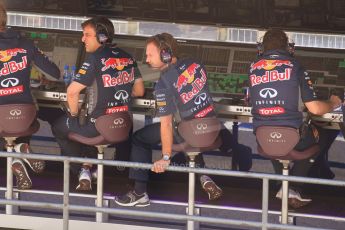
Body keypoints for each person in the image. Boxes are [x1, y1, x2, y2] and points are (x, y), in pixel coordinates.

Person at [114, 33, 247, 207]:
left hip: (189, 131)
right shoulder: (196, 63)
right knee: (187, 128)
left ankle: (139, 192)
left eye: (150, 55)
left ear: (165, 54)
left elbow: (166, 124)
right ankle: (204, 176)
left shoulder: (163, 85)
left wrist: (166, 157)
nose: (146, 60)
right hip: (211, 128)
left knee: (140, 139)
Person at [248, 29, 342, 208]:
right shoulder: (296, 66)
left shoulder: (252, 67)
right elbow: (314, 108)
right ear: (288, 48)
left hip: (263, 137)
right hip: (293, 136)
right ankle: (295, 187)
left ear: (261, 48)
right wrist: (332, 102)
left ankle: (282, 185)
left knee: (277, 142)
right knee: (321, 135)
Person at [52, 16, 144, 191]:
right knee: (85, 123)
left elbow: (72, 92)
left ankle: (82, 171)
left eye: (87, 35)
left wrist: (73, 115)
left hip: (97, 128)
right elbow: (139, 91)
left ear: (102, 37)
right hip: (122, 127)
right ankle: (89, 167)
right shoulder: (128, 58)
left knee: (61, 126)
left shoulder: (94, 58)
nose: (82, 39)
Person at [0, 3, 61, 189]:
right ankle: (20, 151)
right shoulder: (26, 44)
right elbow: (54, 74)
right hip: (25, 115)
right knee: (14, 131)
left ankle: (16, 155)